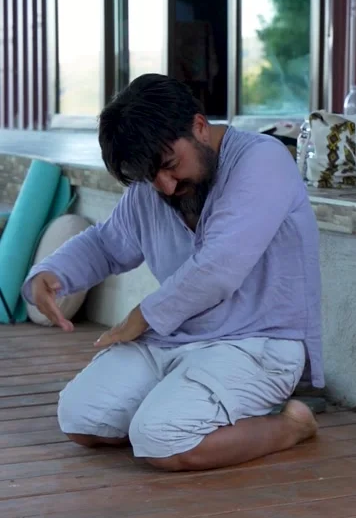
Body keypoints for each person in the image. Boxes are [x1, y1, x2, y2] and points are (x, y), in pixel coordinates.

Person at [22, 74, 324, 472]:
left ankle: (291, 426)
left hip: (258, 343)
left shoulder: (263, 160)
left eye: (169, 166)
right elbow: (108, 242)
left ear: (198, 126)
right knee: (80, 419)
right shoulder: (154, 184)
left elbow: (218, 267)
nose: (164, 186)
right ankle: (179, 411)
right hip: (175, 337)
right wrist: (52, 273)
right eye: (150, 177)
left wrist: (142, 317)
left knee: (161, 443)